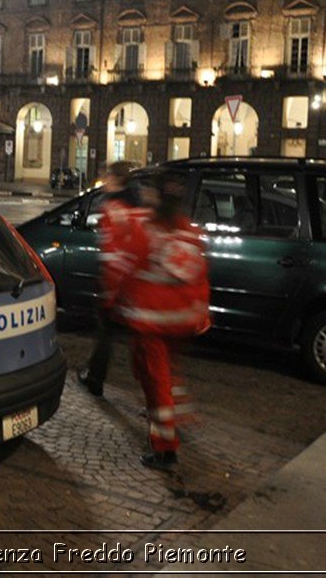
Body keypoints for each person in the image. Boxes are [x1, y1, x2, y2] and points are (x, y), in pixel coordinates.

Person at [110, 171, 210, 470]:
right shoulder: (190, 231)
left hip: (152, 322)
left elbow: (126, 268)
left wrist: (113, 300)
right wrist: (200, 312)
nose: (145, 196)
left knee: (157, 383)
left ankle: (165, 448)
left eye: (150, 191)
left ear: (157, 197)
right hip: (181, 321)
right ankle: (177, 416)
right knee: (166, 375)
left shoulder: (148, 230)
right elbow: (200, 276)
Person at [78, 161, 147, 397]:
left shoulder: (112, 208)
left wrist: (109, 288)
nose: (104, 180)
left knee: (106, 333)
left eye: (107, 176)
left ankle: (95, 379)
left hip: (117, 282)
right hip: (138, 281)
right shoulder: (139, 205)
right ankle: (153, 393)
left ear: (116, 179)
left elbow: (111, 250)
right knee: (140, 340)